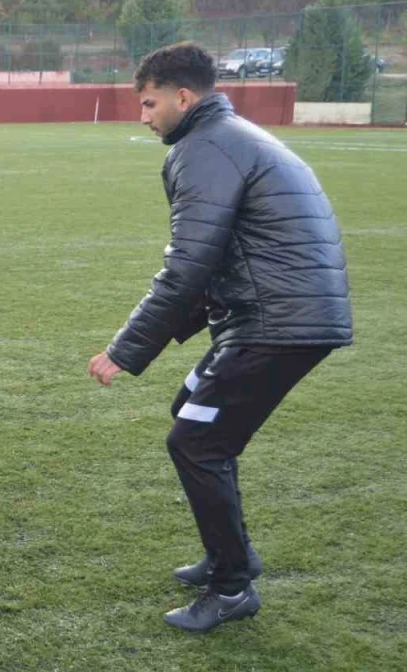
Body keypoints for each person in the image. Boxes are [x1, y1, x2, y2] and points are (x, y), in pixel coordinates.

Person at [87, 42, 352, 633]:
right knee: (194, 415)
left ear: (183, 97)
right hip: (278, 315)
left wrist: (125, 351)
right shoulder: (230, 136)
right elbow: (214, 262)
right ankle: (232, 556)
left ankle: (231, 588)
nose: (143, 116)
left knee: (197, 442)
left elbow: (187, 267)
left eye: (150, 103)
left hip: (276, 322)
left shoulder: (203, 147)